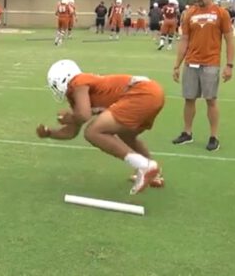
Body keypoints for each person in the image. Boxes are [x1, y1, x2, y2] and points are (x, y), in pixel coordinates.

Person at [36, 59, 165, 195]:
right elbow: (71, 132)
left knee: (92, 132)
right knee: (126, 134)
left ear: (62, 80)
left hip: (142, 93)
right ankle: (153, 174)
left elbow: (84, 116)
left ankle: (144, 166)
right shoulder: (77, 91)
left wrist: (70, 117)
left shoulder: (78, 83)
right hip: (152, 93)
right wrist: (50, 133)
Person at [172, 0, 235, 151]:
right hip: (191, 62)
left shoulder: (221, 13)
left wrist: (229, 65)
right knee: (189, 99)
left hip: (211, 63)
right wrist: (177, 65)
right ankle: (187, 133)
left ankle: (214, 137)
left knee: (211, 100)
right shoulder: (190, 13)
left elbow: (229, 40)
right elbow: (184, 39)